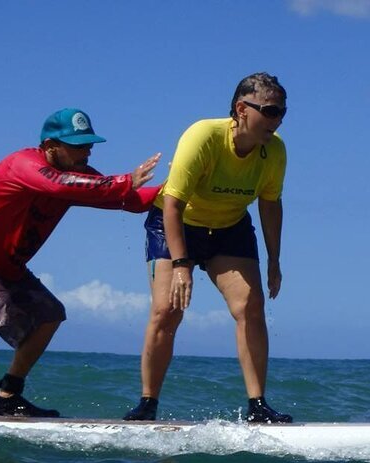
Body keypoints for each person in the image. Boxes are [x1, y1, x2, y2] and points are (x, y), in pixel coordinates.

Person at [0, 108, 161, 417]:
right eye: (78, 145)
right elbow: (58, 184)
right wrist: (124, 180)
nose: (87, 151)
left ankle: (9, 393)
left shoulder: (78, 178)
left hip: (2, 260)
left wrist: (176, 192)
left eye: (90, 144)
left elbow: (129, 200)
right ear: (50, 146)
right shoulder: (23, 164)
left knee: (50, 314)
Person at [123, 72, 293, 424]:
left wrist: (274, 260)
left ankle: (258, 406)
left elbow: (270, 204)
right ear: (242, 109)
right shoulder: (203, 136)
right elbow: (172, 203)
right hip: (175, 223)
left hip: (229, 227)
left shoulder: (274, 151)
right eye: (271, 111)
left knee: (250, 306)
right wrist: (181, 263)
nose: (277, 120)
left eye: (282, 112)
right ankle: (147, 404)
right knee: (166, 311)